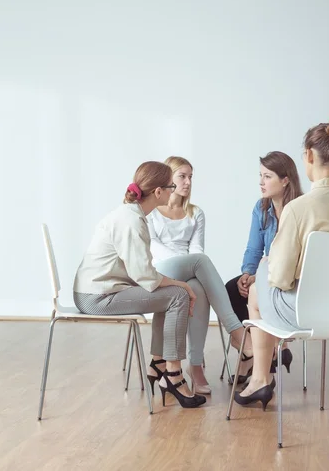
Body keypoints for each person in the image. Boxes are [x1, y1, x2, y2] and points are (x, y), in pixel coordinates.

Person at [73, 161, 251, 409]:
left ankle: (161, 364)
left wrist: (182, 284)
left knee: (178, 291)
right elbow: (145, 275)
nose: (175, 189)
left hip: (104, 290)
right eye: (170, 185)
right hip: (98, 297)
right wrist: (182, 285)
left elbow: (144, 273)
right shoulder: (133, 221)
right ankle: (174, 374)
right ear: (158, 192)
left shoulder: (133, 215)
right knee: (178, 295)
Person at [234, 117, 329, 409]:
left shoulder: (298, 209)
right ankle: (265, 368)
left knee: (259, 286)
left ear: (309, 157)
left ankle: (260, 379)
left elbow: (281, 278)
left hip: (304, 313)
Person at [148, 156, 252, 394]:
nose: (188, 182)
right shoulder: (152, 213)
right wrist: (184, 263)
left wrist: (188, 266)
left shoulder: (195, 213)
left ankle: (195, 366)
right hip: (162, 270)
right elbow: (155, 249)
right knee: (199, 264)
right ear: (168, 179)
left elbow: (196, 250)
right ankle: (236, 331)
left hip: (191, 269)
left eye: (190, 177)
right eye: (182, 176)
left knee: (198, 288)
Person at [225, 151, 303, 382]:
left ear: (285, 179)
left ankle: (262, 357)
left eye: (267, 176)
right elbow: (253, 249)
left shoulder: (300, 209)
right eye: (260, 175)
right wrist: (247, 274)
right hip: (267, 274)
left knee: (259, 292)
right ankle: (260, 355)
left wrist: (263, 270)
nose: (261, 182)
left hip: (290, 279)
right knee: (232, 289)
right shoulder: (261, 208)